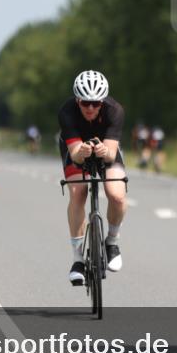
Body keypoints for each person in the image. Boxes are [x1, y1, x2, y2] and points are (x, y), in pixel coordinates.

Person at [58, 70, 128, 285]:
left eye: (96, 103)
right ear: (77, 100)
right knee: (78, 193)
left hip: (107, 148)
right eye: (85, 103)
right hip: (76, 148)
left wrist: (103, 152)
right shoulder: (67, 111)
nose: (90, 108)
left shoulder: (115, 111)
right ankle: (77, 259)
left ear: (103, 101)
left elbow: (111, 152)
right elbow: (75, 152)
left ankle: (112, 241)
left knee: (116, 195)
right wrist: (83, 152)